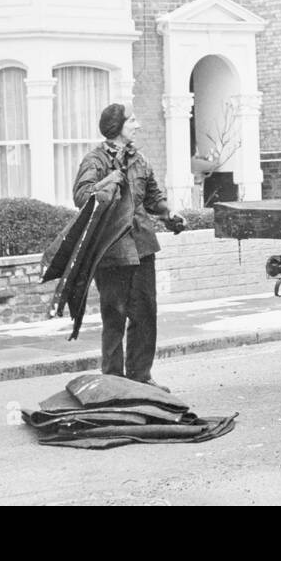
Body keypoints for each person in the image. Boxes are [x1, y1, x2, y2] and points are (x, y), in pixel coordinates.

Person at [73, 102, 186, 390]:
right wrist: (110, 179)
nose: (138, 125)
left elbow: (153, 199)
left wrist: (168, 213)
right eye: (132, 120)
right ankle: (113, 381)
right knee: (114, 316)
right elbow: (82, 196)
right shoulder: (95, 161)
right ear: (117, 127)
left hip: (143, 248)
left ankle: (141, 378)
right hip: (111, 251)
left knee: (145, 314)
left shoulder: (140, 160)